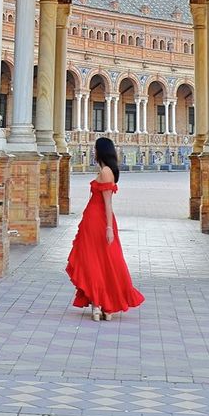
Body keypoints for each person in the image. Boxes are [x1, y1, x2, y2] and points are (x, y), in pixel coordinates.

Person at [65, 137, 144, 322]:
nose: (93, 152)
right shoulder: (105, 170)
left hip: (99, 221)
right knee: (99, 261)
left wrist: (109, 227)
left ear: (101, 151)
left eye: (95, 149)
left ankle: (100, 305)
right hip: (94, 220)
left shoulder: (106, 172)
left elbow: (108, 203)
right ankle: (102, 305)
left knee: (101, 261)